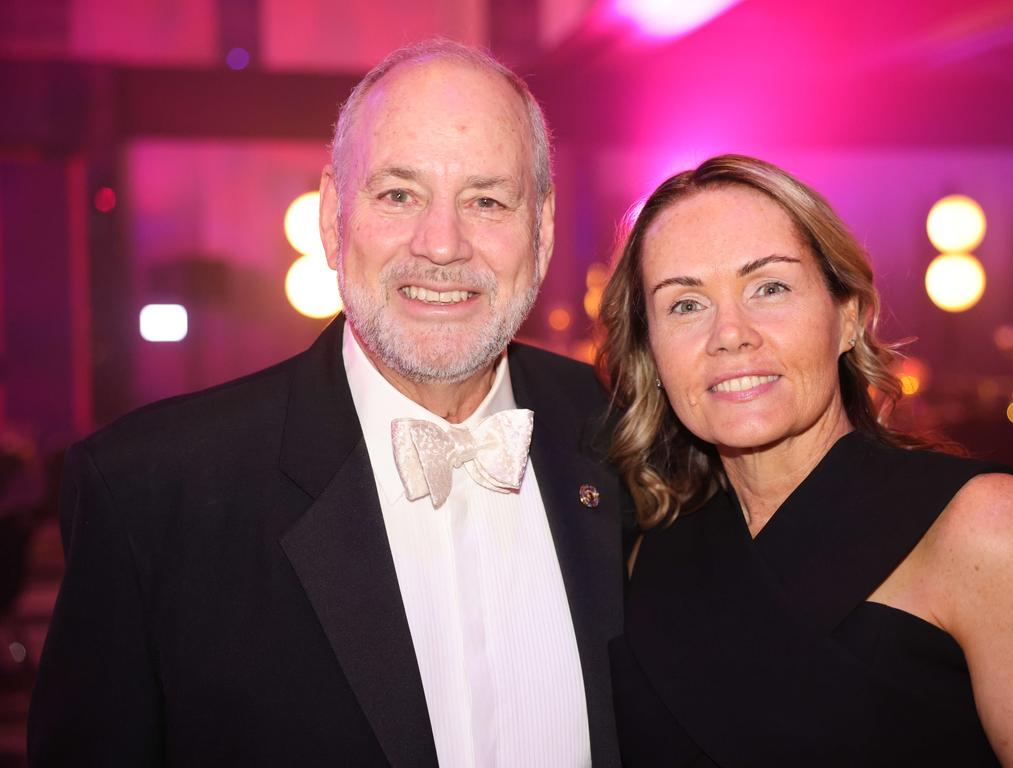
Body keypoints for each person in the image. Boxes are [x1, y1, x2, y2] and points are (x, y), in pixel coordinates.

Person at [29, 39, 627, 767]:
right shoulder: (152, 494)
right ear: (332, 217)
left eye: (487, 200)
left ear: (543, 229)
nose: (441, 244)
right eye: (399, 194)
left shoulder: (625, 438)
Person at [598, 154, 1013, 767]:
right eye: (686, 304)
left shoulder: (981, 526)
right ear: (652, 354)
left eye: (769, 288)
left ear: (846, 317)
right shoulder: (643, 558)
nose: (731, 333)